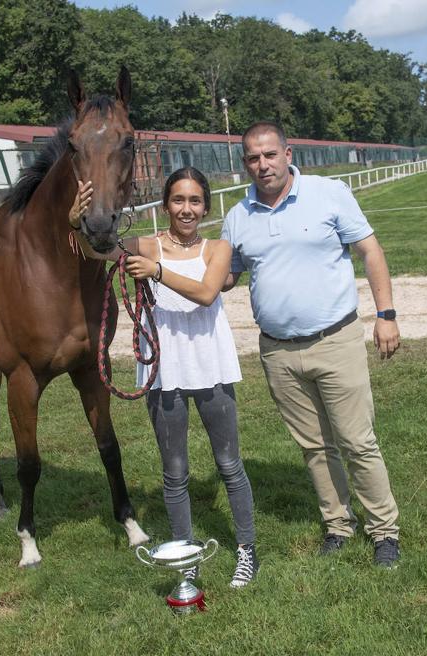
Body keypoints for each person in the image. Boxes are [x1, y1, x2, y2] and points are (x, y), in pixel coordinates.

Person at [221, 121, 402, 568]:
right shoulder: (238, 215)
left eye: (269, 155)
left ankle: (385, 532)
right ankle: (339, 525)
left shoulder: (329, 193)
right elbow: (225, 277)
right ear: (245, 163)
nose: (262, 165)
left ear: (287, 152)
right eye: (252, 158)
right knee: (315, 447)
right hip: (278, 352)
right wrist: (168, 262)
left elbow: (370, 251)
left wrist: (386, 315)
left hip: (335, 340)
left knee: (357, 441)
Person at [70, 167, 259, 588]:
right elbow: (91, 251)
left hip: (210, 365)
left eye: (194, 201)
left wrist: (155, 270)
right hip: (162, 370)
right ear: (164, 205)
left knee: (229, 464)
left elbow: (207, 292)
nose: (186, 209)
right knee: (174, 472)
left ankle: (247, 550)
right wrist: (74, 220)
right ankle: (185, 555)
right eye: (178, 200)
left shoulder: (218, 248)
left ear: (206, 207)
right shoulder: (142, 244)